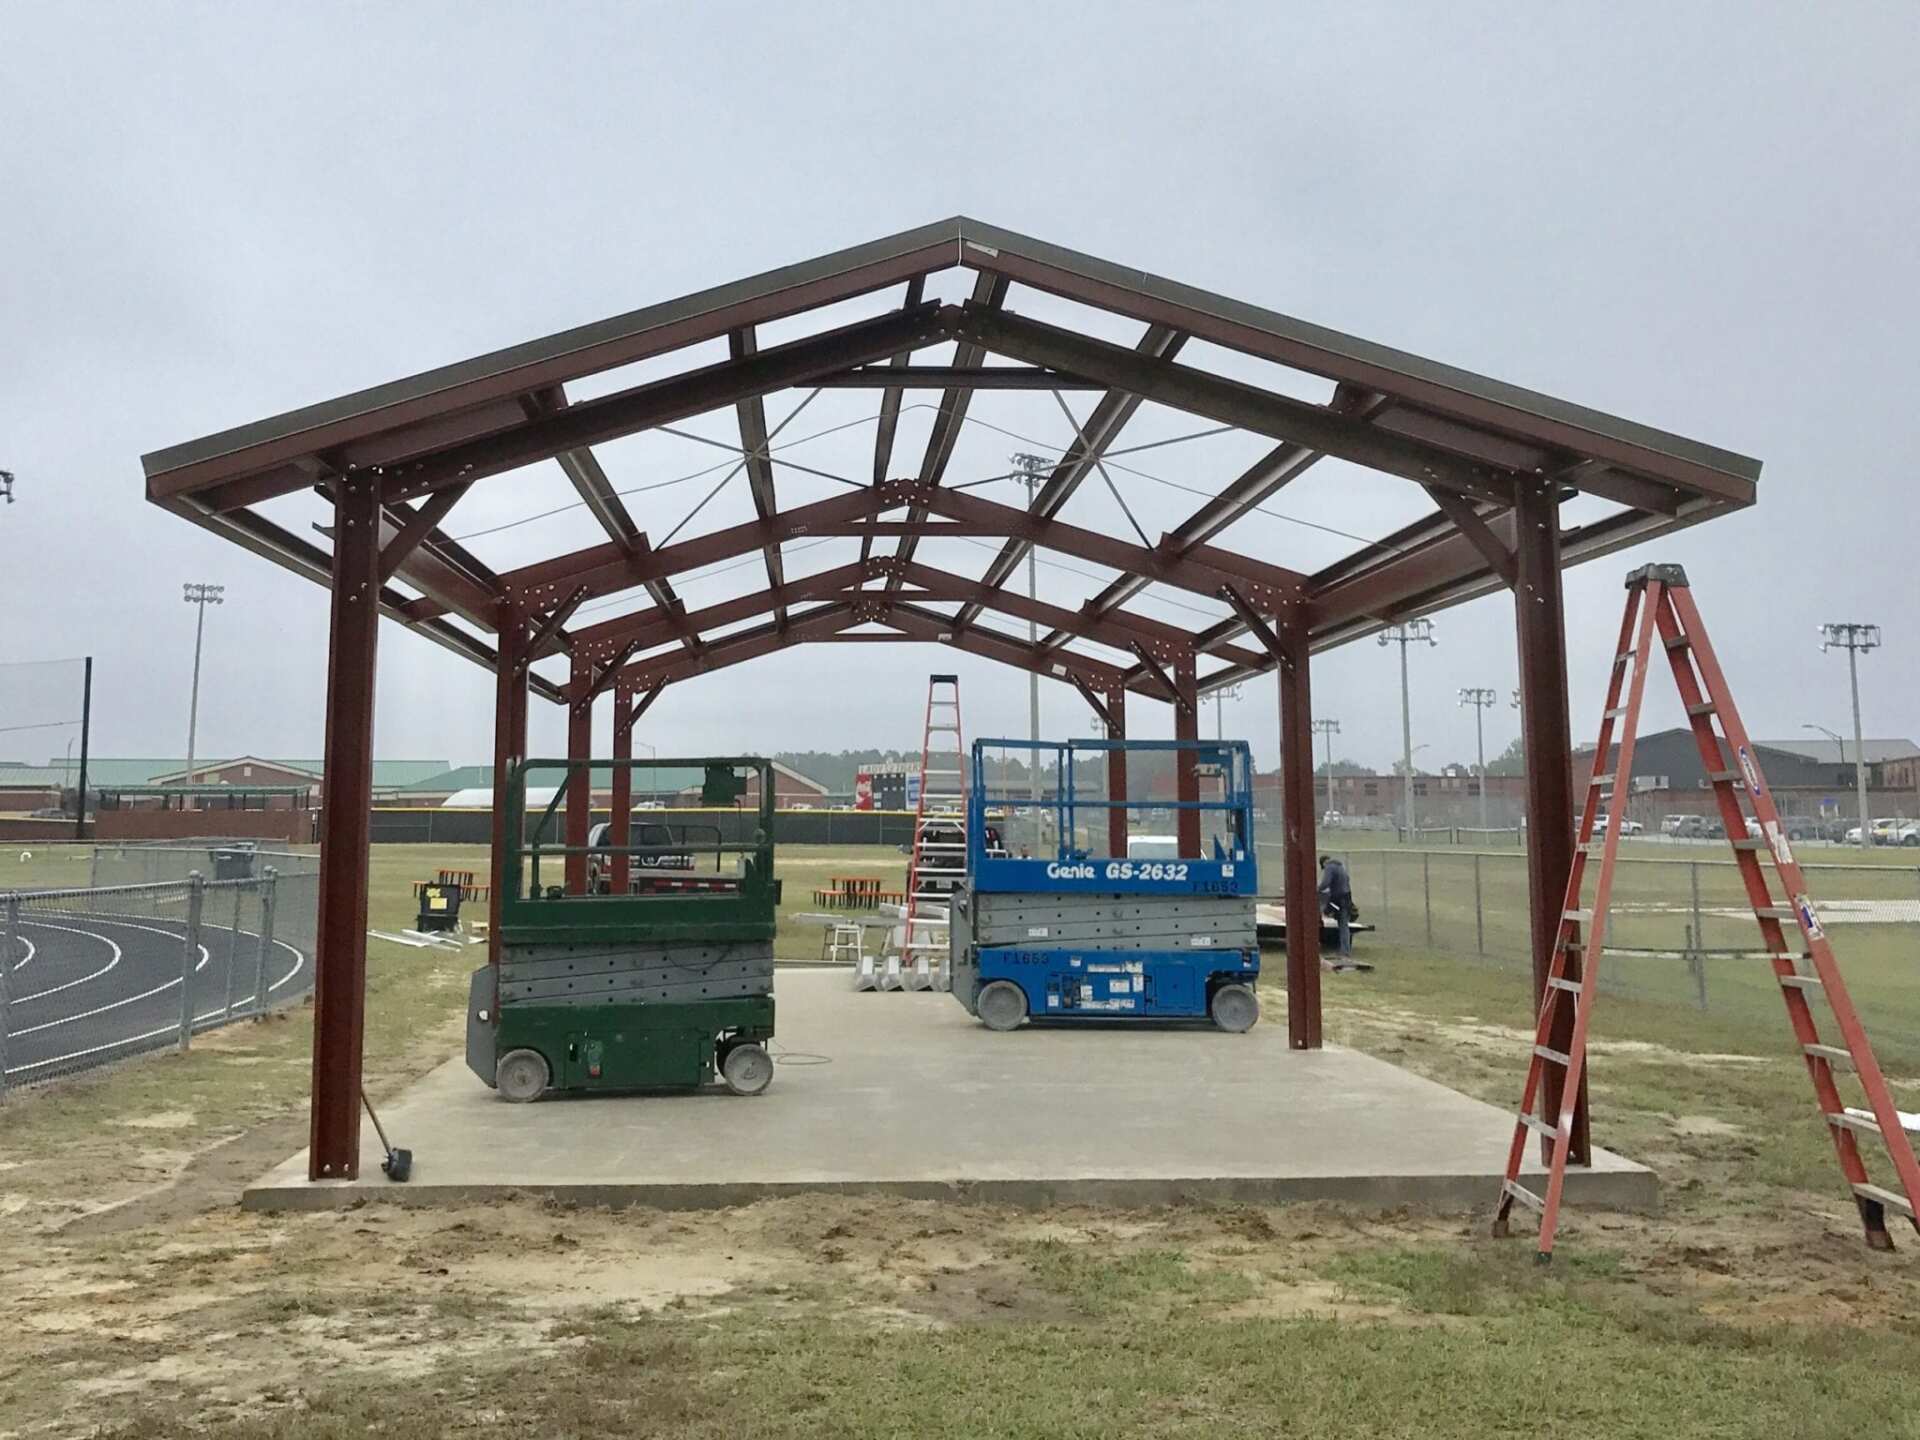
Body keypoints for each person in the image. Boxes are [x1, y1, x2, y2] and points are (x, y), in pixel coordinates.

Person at [1318, 853, 1353, 959]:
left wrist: (1316, 889)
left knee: (1341, 924)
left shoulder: (1329, 867)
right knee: (1344, 925)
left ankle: (1344, 952)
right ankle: (1345, 949)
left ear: (1324, 863)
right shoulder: (1340, 867)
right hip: (1347, 898)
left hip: (1338, 899)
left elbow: (1325, 883)